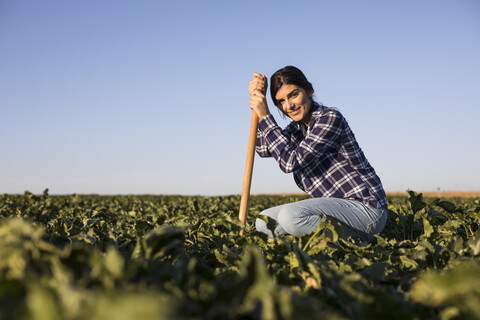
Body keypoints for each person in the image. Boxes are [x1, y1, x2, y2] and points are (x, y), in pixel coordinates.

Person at [249, 66, 388, 241]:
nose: (289, 106)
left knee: (290, 216)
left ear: (309, 90)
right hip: (334, 209)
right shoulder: (296, 130)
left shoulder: (329, 118)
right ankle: (306, 245)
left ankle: (361, 240)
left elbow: (289, 162)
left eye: (293, 95)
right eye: (281, 101)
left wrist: (265, 116)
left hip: (366, 208)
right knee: (263, 222)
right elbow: (264, 149)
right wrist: (258, 102)